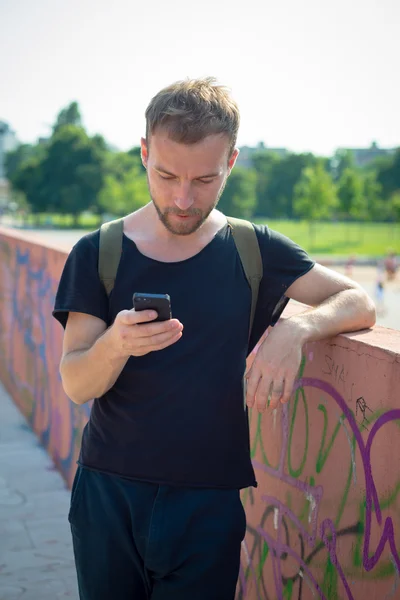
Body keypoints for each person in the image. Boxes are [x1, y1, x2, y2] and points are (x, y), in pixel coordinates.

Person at [52, 77, 376, 600]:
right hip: (108, 494)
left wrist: (295, 328)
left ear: (231, 162)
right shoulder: (99, 252)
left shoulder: (253, 248)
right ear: (143, 153)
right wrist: (117, 344)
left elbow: (358, 301)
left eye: (204, 179)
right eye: (165, 175)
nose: (183, 199)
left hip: (208, 502)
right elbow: (74, 383)